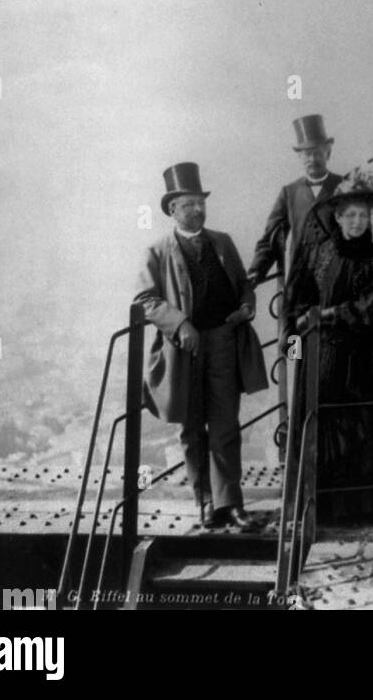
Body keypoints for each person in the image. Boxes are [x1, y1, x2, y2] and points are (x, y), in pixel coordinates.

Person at [136, 162, 268, 530]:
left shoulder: (222, 242)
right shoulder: (158, 251)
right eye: (188, 204)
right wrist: (180, 324)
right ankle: (206, 502)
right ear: (172, 210)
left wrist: (246, 306)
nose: (197, 209)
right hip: (184, 352)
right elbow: (146, 298)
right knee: (192, 427)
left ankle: (232, 504)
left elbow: (243, 283)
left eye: (200, 202)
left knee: (226, 423)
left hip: (224, 341)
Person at [284, 167, 373, 523]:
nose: (356, 222)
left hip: (357, 355)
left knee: (356, 426)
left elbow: (372, 306)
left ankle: (355, 507)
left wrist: (329, 313)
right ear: (337, 216)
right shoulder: (320, 252)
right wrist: (305, 316)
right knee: (316, 420)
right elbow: (299, 293)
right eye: (349, 215)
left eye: (363, 215)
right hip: (318, 352)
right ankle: (314, 504)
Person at [247, 114, 343, 286]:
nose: (312, 159)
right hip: (300, 282)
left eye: (317, 153)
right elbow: (271, 238)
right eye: (307, 154)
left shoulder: (344, 186)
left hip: (338, 279)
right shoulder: (289, 192)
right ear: (299, 156)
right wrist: (256, 271)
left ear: (327, 153)